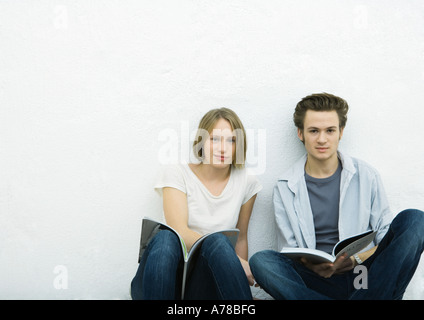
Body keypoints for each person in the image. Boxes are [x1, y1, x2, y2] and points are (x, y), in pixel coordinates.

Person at [249, 93, 424, 300]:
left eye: (329, 130)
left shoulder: (366, 175)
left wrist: (356, 259)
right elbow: (290, 251)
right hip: (316, 280)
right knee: (263, 261)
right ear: (300, 133)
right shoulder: (285, 186)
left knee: (415, 219)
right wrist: (317, 265)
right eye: (314, 131)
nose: (322, 139)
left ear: (340, 132)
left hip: (365, 277)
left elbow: (386, 238)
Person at [131, 107, 262, 300]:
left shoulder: (247, 182)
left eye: (231, 140)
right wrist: (234, 259)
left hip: (201, 287)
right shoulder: (177, 172)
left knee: (219, 241)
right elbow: (180, 230)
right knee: (166, 238)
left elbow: (240, 237)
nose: (222, 148)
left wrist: (239, 276)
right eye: (214, 139)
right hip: (161, 281)